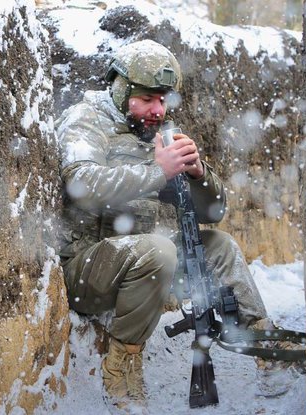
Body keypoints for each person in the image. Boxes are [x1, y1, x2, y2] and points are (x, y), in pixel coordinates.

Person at [56, 39, 271, 411]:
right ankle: (120, 370)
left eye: (165, 99)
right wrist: (158, 171)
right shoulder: (85, 120)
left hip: (144, 270)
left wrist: (199, 174)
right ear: (122, 89)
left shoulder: (154, 131)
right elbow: (82, 184)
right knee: (158, 249)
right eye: (150, 98)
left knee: (217, 245)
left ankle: (265, 345)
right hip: (85, 274)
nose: (159, 109)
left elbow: (214, 212)